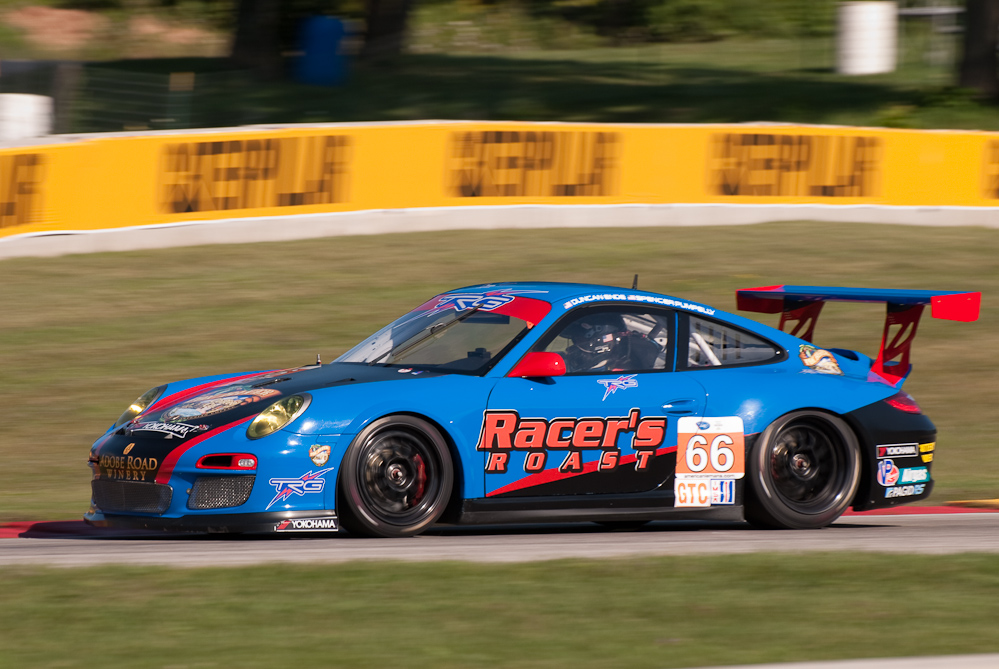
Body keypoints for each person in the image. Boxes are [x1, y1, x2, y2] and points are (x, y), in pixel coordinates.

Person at [560, 312, 660, 373]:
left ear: (599, 341)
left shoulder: (618, 373)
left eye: (580, 338)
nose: (576, 344)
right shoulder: (573, 363)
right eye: (575, 339)